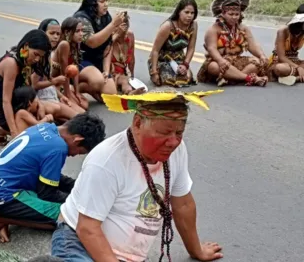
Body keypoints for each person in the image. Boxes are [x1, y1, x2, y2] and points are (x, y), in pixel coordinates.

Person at [51, 89, 225, 262]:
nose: (173, 142)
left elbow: (183, 204)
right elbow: (88, 229)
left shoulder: (177, 151)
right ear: (138, 123)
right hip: (77, 242)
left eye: (179, 133)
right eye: (164, 133)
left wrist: (197, 251)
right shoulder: (106, 160)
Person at [0, 113, 106, 244]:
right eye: (80, 152)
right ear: (77, 140)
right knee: (69, 217)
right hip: (3, 198)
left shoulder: (46, 128)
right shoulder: (58, 148)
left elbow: (51, 179)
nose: (75, 155)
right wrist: (80, 200)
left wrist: (79, 186)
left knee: (67, 202)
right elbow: (47, 193)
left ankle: (4, 213)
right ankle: (1, 218)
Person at [0, 29, 52, 145]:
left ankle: (3, 129)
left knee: (47, 111)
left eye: (40, 56)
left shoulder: (27, 60)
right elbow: (6, 100)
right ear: (26, 46)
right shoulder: (11, 64)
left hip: (18, 102)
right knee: (27, 136)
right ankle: (1, 129)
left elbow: (28, 86)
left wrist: (40, 105)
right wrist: (14, 132)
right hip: (2, 108)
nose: (37, 59)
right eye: (36, 54)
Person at [197, 0, 269, 87]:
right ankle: (248, 78)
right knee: (213, 67)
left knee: (257, 62)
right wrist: (221, 61)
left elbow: (253, 45)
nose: (234, 17)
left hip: (237, 60)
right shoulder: (213, 29)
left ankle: (231, 78)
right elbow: (211, 49)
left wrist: (262, 55)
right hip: (218, 61)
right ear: (223, 13)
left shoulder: (243, 28)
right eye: (231, 14)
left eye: (237, 14)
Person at [74, 0, 125, 102]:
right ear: (93, 3)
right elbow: (92, 42)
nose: (106, 4)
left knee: (111, 95)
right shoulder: (81, 18)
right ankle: (75, 86)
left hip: (97, 60)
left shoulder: (106, 18)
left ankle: (89, 86)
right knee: (97, 81)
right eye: (102, 1)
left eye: (107, 1)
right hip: (81, 59)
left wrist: (106, 70)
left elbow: (108, 46)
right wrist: (113, 25)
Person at [33, 18, 84, 121]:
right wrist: (60, 85)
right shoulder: (38, 54)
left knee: (82, 114)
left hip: (52, 93)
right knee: (81, 119)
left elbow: (48, 80)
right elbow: (34, 85)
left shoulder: (47, 53)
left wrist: (61, 96)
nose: (56, 37)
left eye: (57, 34)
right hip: (41, 99)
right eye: (52, 33)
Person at [149, 0, 199, 87]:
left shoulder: (194, 25)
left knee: (187, 77)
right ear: (179, 12)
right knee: (169, 80)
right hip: (162, 59)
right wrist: (154, 72)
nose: (189, 16)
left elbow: (191, 48)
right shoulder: (168, 26)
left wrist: (185, 65)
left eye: (192, 13)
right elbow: (155, 50)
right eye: (186, 12)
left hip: (178, 59)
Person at [52, 17, 90, 110]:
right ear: (67, 32)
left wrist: (77, 92)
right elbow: (64, 72)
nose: (81, 34)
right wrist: (68, 94)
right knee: (80, 109)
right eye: (77, 31)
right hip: (54, 83)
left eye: (82, 30)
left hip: (63, 82)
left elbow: (74, 69)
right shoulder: (64, 44)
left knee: (85, 105)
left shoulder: (75, 44)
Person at [266, 4, 304, 85]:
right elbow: (281, 57)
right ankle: (297, 76)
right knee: (281, 68)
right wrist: (298, 68)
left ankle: (295, 78)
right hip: (281, 63)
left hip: (295, 62)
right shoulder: (283, 31)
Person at [110, 13, 138, 93]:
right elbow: (104, 51)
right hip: (109, 72)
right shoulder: (109, 37)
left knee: (127, 80)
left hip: (122, 73)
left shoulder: (130, 36)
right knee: (124, 81)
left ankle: (130, 90)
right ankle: (129, 92)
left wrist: (132, 76)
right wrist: (116, 35)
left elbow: (132, 58)